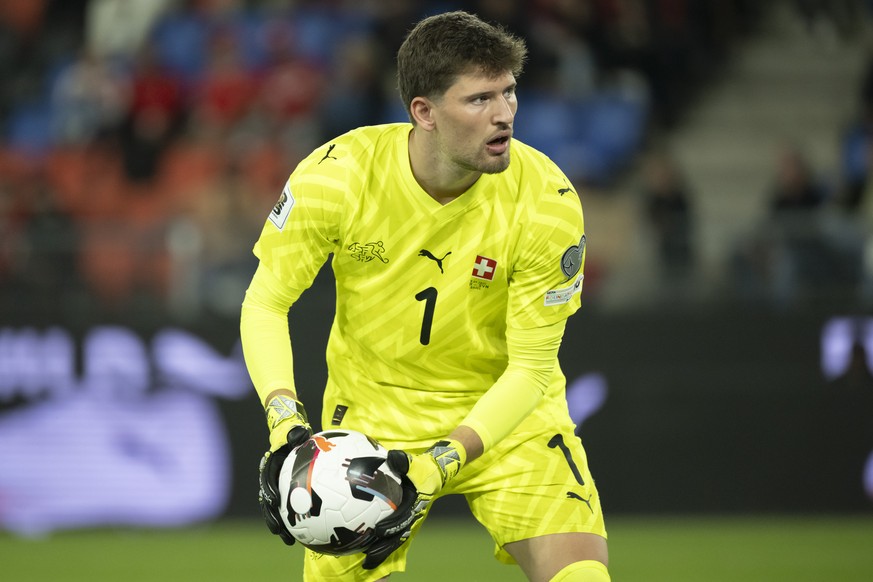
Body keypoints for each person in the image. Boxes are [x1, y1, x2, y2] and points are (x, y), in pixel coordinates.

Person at [240, 10, 609, 582]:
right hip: (371, 421)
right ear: (424, 112)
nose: (505, 114)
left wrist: (443, 461)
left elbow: (533, 368)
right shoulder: (339, 177)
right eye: (480, 99)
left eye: (510, 93)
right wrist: (285, 426)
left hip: (508, 415)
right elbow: (266, 302)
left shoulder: (547, 200)